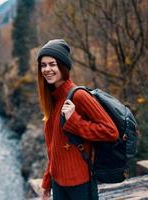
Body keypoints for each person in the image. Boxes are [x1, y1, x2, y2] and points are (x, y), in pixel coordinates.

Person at [36, 39, 119, 200]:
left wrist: (75, 122)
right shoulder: (52, 100)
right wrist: (47, 183)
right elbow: (53, 149)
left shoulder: (79, 96)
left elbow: (111, 132)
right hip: (58, 185)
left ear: (63, 66)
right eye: (43, 65)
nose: (47, 69)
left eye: (52, 64)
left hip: (80, 185)